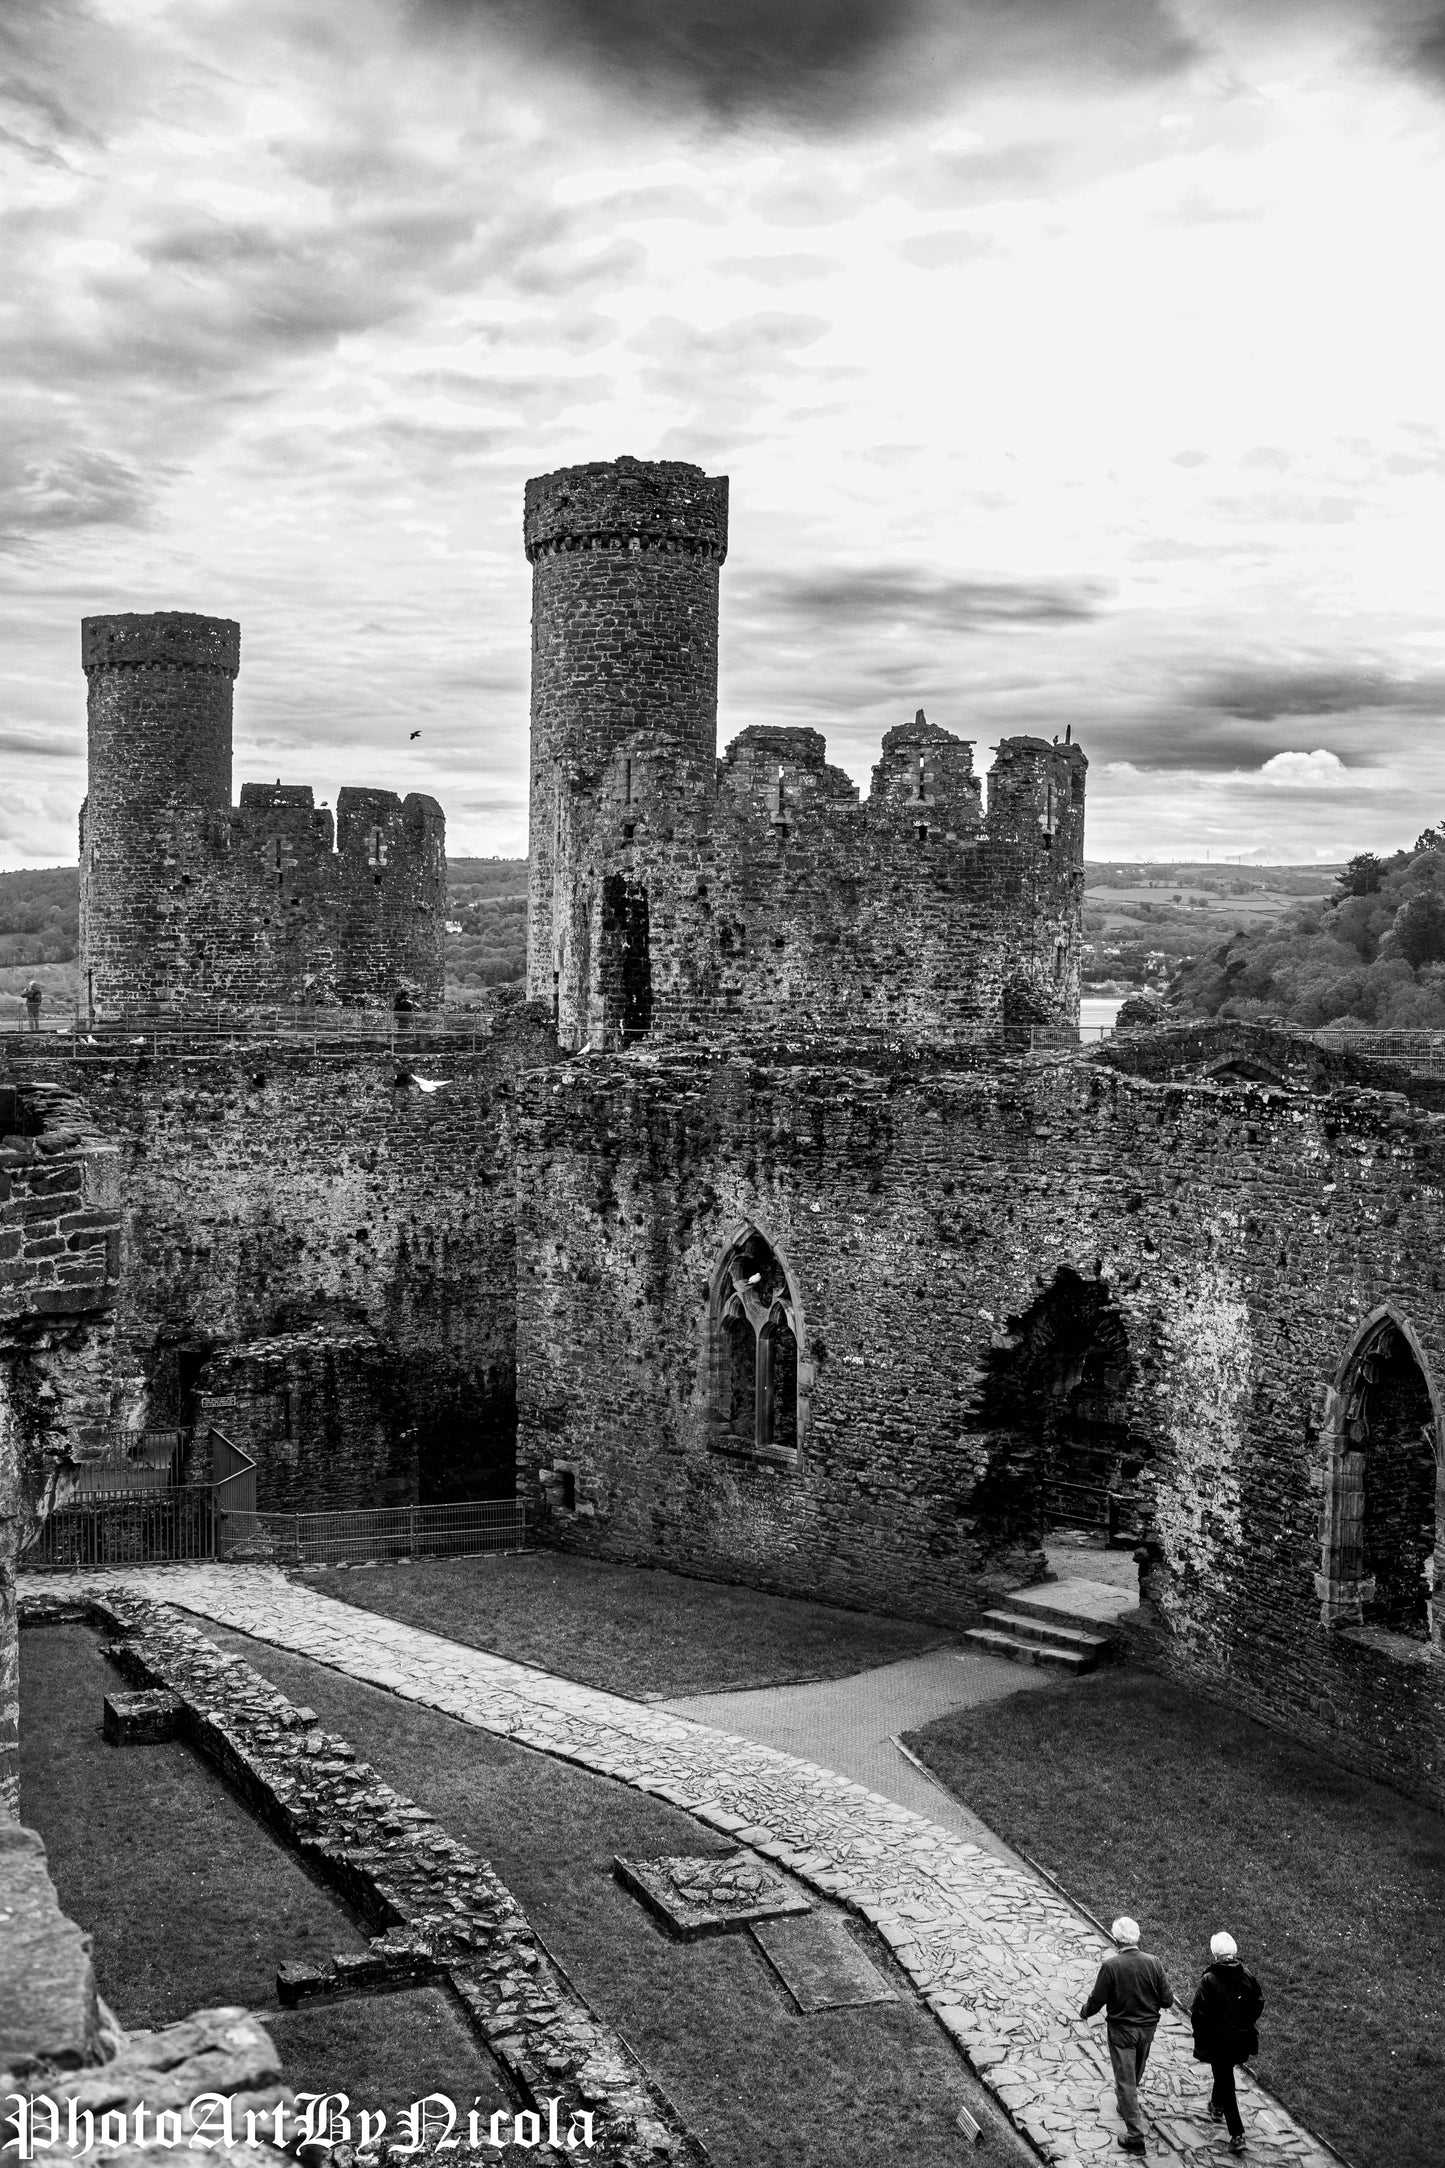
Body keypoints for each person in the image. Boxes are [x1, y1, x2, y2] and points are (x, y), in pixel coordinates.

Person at [1079, 1915, 1175, 2155]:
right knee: (1135, 2072)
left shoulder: (1111, 1966)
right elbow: (1167, 2000)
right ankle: (1126, 2103)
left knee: (1126, 2080)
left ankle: (1135, 2136)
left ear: (1116, 1940)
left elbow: (1097, 1999)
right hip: (1147, 2030)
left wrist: (1085, 2011)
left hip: (1122, 2031)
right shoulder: (1154, 1962)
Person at [1190, 1931, 1263, 2154]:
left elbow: (1198, 2011)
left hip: (1218, 2040)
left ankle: (1237, 2134)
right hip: (1240, 2038)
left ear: (1215, 1954)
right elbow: (1258, 2003)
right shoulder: (1247, 1976)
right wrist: (1245, 2022)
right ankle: (1216, 2104)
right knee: (1224, 2072)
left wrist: (1202, 2033)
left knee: (1226, 2081)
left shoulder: (1209, 1979)